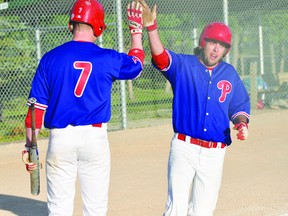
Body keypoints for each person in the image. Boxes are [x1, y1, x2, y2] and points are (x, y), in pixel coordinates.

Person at [21, 0, 144, 215]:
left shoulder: (50, 59)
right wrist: (136, 32)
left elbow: (35, 113)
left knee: (59, 208)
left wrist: (30, 147)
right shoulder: (106, 57)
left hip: (60, 139)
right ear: (98, 27)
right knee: (95, 208)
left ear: (70, 25)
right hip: (94, 139)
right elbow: (136, 66)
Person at [138, 0, 250, 215]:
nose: (217, 48)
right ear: (203, 42)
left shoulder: (229, 73)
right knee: (176, 208)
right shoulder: (184, 65)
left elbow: (239, 106)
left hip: (215, 153)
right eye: (213, 42)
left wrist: (242, 124)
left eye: (222, 45)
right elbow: (161, 58)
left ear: (226, 50)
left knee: (203, 211)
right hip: (184, 148)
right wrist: (151, 28)